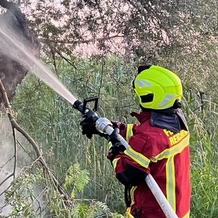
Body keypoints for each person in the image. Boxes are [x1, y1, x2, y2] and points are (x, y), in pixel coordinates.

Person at [81, 64, 191, 218]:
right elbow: (144, 136)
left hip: (155, 213)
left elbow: (127, 174)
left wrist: (114, 148)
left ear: (148, 96)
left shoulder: (149, 136)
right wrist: (115, 127)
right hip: (177, 211)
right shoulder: (176, 122)